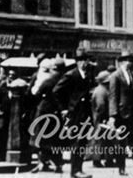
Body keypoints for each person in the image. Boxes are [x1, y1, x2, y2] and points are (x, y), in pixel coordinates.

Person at [53, 49, 95, 178]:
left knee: (82, 142)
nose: (83, 63)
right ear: (77, 62)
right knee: (76, 142)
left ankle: (79, 169)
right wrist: (64, 108)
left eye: (85, 60)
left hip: (85, 113)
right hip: (75, 113)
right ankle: (74, 171)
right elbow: (56, 91)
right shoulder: (71, 75)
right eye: (80, 60)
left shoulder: (87, 75)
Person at [90, 71, 112, 169]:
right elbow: (101, 106)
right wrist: (103, 118)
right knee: (99, 140)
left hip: (100, 118)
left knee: (106, 139)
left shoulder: (101, 90)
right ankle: (97, 160)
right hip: (100, 119)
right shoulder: (101, 91)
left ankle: (107, 160)